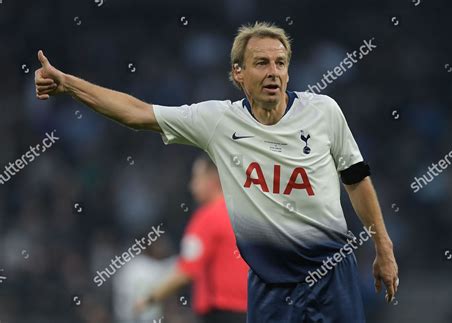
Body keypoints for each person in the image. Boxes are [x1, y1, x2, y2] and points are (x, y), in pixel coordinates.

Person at [34, 21, 398, 323]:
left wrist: (383, 245)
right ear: (238, 73)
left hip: (331, 277)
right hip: (270, 288)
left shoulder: (324, 112)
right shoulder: (218, 121)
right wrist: (69, 85)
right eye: (261, 63)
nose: (273, 72)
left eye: (280, 63)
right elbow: (138, 113)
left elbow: (356, 179)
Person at [134, 155, 248, 322]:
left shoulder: (207, 217)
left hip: (221, 312)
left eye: (196, 178)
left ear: (213, 179)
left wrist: (150, 298)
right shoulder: (244, 212)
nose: (191, 186)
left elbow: (186, 270)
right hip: (251, 310)